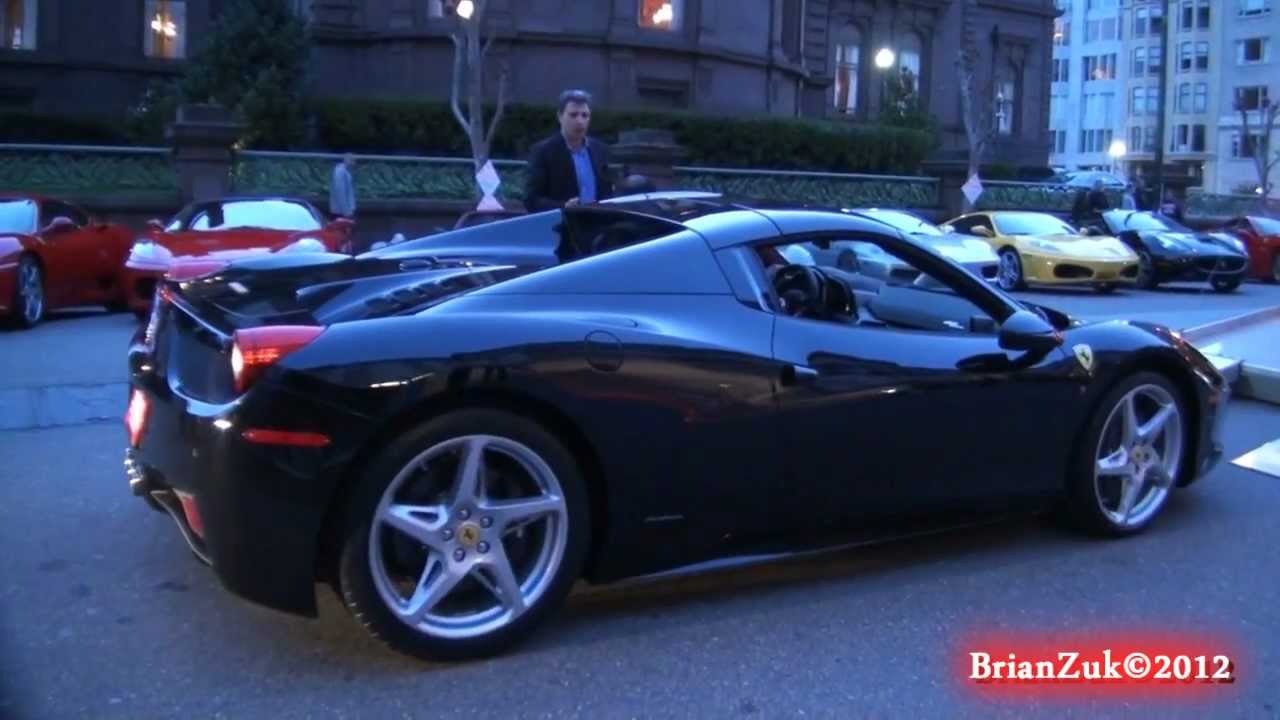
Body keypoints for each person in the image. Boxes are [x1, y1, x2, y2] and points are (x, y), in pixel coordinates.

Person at [524, 89, 614, 212]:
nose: (579, 121)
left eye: (585, 115)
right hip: (562, 226)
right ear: (560, 116)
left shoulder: (600, 150)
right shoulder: (543, 151)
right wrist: (564, 207)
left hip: (597, 223)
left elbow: (607, 192)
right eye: (573, 115)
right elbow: (531, 200)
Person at [329, 153, 356, 219]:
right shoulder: (340, 172)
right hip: (340, 212)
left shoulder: (344, 172)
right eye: (352, 161)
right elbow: (340, 192)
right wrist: (346, 212)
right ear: (347, 160)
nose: (354, 163)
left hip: (342, 210)